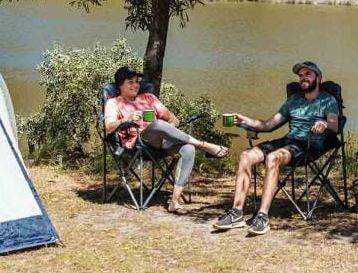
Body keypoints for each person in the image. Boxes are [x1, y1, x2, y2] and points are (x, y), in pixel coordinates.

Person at [213, 61, 338, 235]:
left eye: (308, 74)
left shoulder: (327, 100)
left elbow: (334, 124)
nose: (303, 78)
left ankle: (262, 216)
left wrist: (324, 123)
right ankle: (237, 213)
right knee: (245, 156)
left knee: (273, 157)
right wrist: (246, 122)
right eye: (301, 75)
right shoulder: (294, 100)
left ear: (319, 77)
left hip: (310, 144)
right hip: (289, 140)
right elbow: (268, 125)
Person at [104, 66, 228, 214]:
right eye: (130, 82)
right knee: (157, 124)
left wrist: (168, 129)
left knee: (188, 149)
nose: (136, 85)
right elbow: (108, 128)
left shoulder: (149, 98)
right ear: (120, 85)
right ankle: (205, 145)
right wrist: (127, 118)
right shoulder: (114, 103)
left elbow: (174, 119)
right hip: (139, 144)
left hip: (163, 142)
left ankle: (174, 202)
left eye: (137, 81)